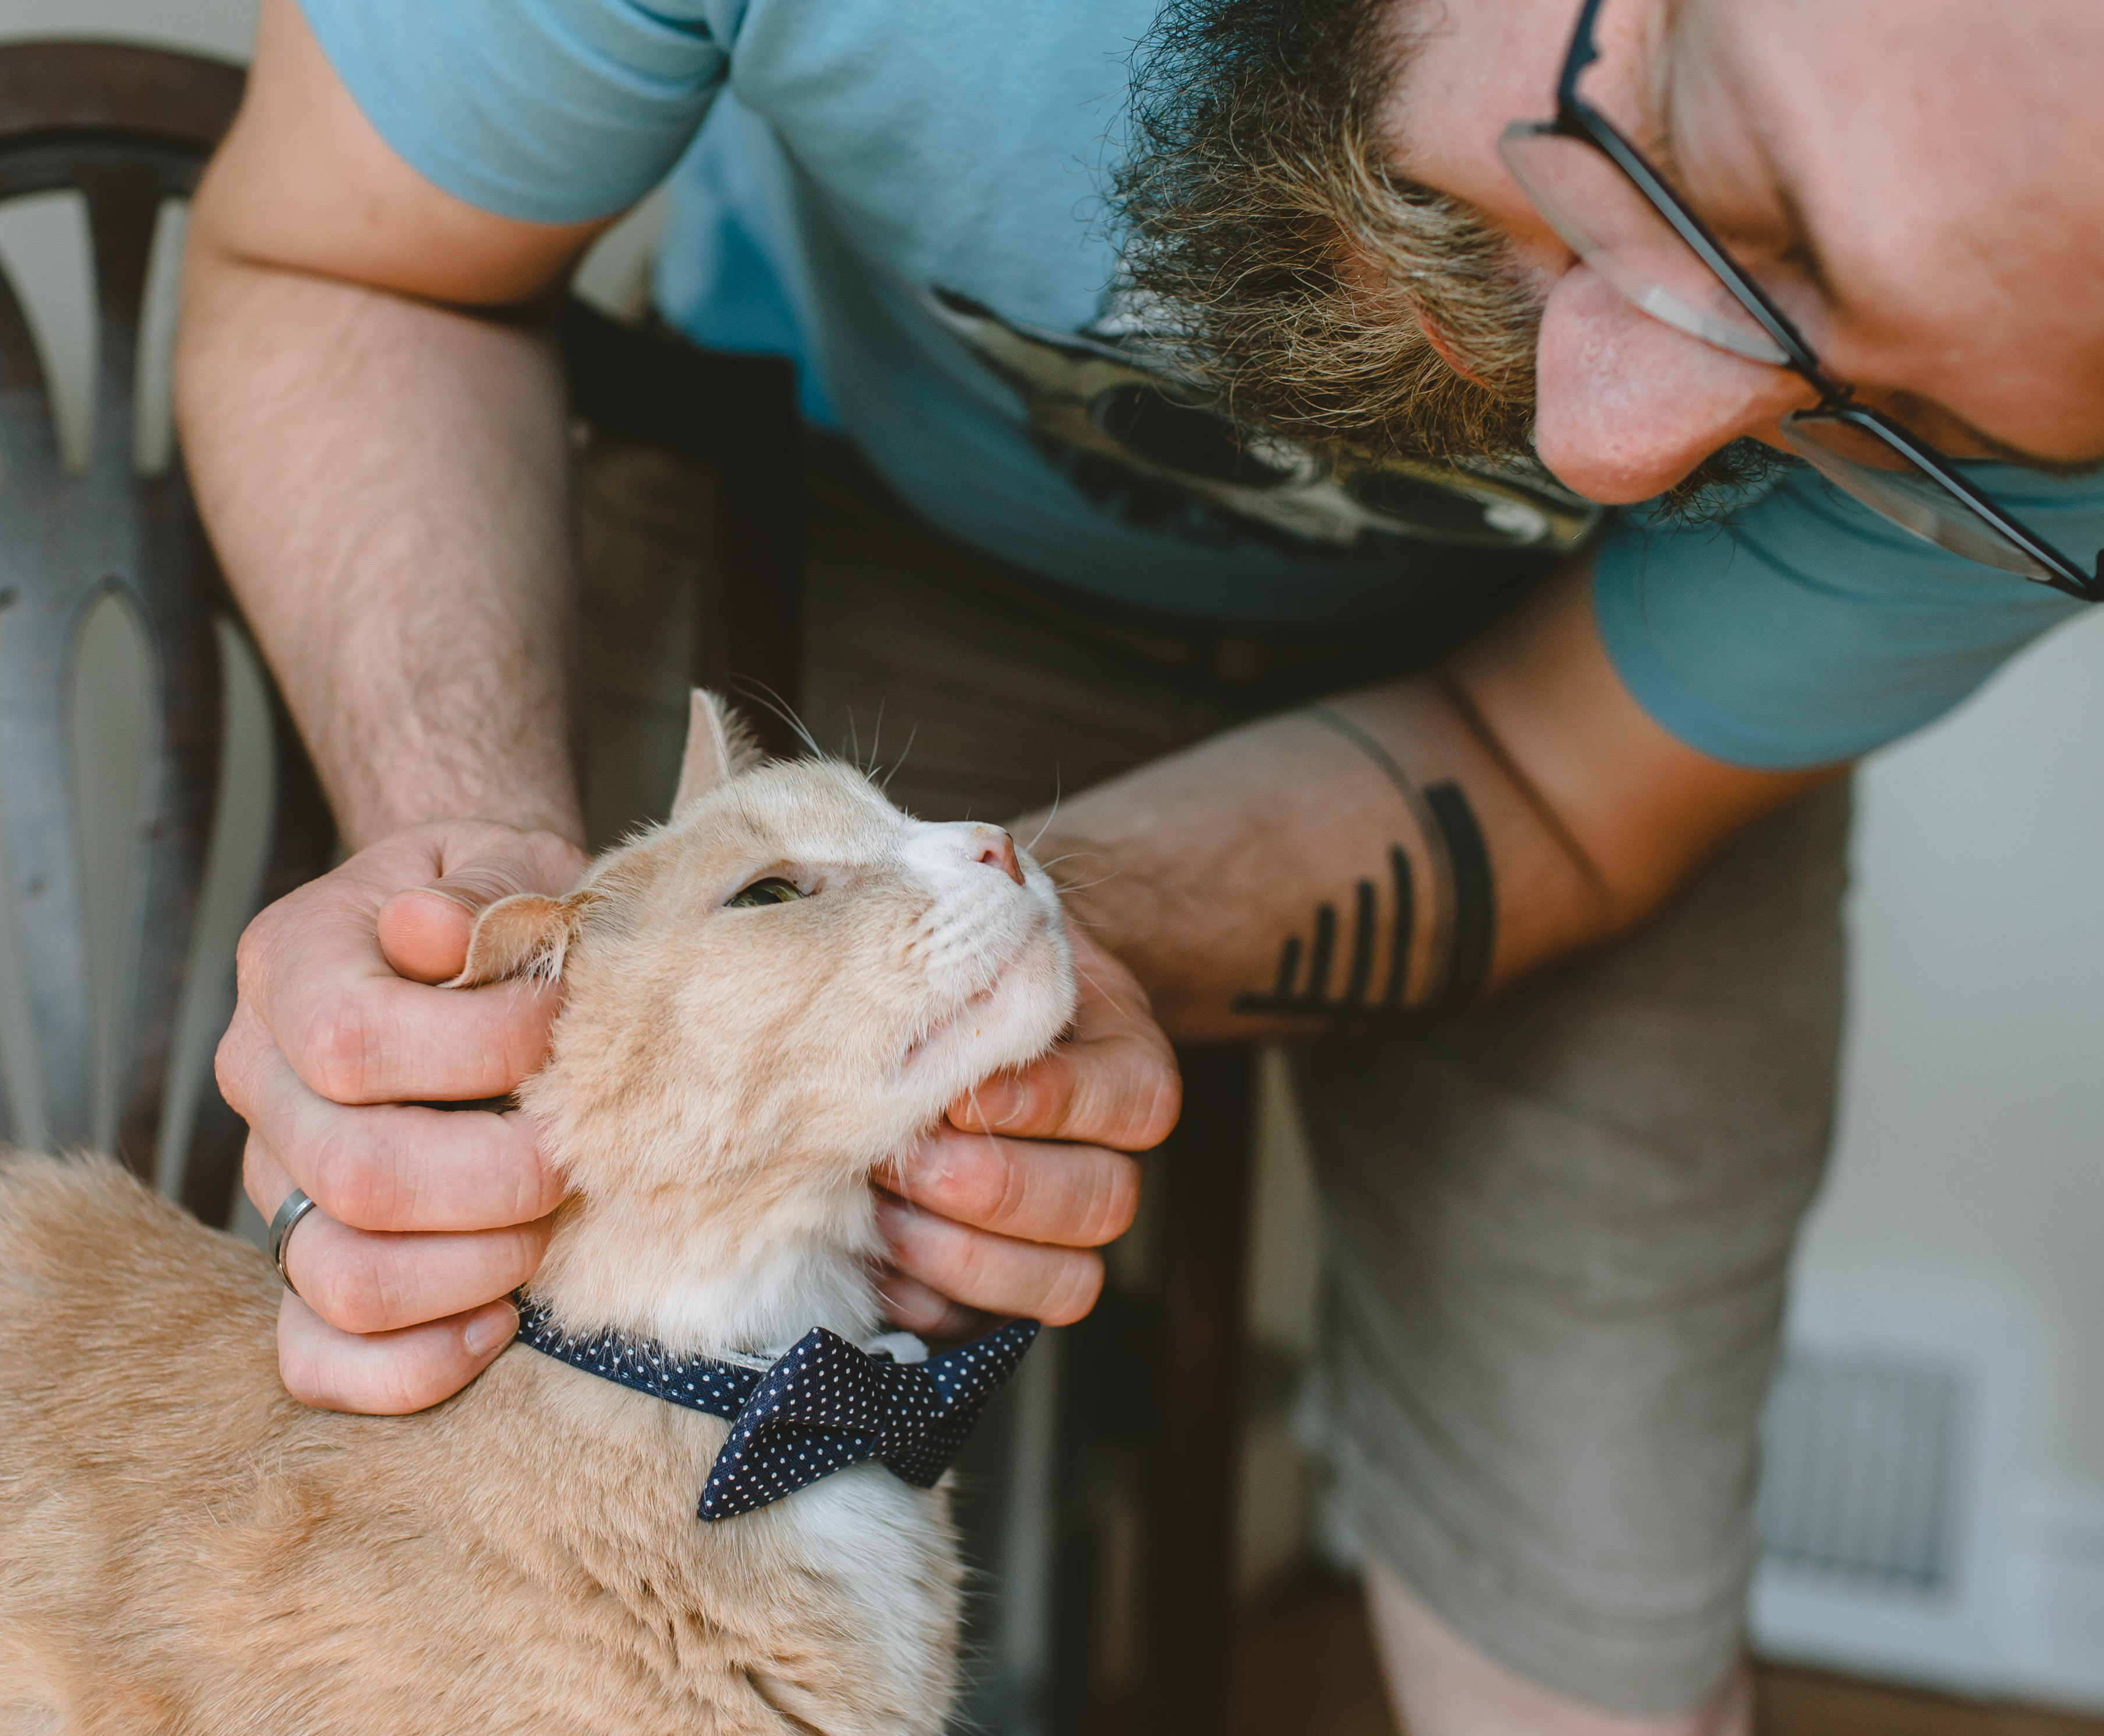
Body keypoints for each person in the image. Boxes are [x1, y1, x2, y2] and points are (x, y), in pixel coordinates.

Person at [170, 0, 2104, 1730]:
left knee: (1601, 1620)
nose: (1609, 442)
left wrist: (1064, 939)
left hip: (1577, 684)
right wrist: (495, 884)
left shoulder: (2051, 360)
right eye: (1705, 167)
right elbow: (360, 267)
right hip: (858, 515)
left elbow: (1536, 773)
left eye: (1895, 426)